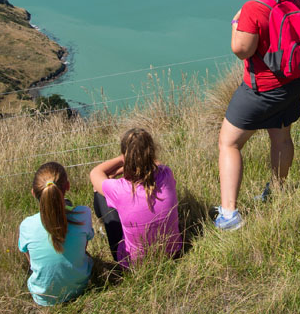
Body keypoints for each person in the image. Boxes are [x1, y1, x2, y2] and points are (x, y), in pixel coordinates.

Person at [215, 0, 300, 230]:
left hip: (259, 91)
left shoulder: (253, 8)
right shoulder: (295, 2)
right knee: (281, 138)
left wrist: (234, 22)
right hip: (291, 86)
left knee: (229, 143)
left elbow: (241, 50)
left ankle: (229, 214)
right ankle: (278, 191)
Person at [89, 128, 182, 266]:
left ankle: (104, 226)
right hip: (173, 253)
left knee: (99, 192)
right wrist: (135, 161)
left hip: (134, 263)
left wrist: (123, 161)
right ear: (152, 152)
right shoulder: (166, 174)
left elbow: (95, 172)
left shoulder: (119, 189)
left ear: (124, 155)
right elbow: (156, 163)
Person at [18, 161, 94, 306]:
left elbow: (31, 262)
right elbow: (83, 249)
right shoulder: (83, 214)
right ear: (68, 186)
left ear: (33, 193)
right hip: (80, 287)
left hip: (43, 297)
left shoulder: (26, 226)